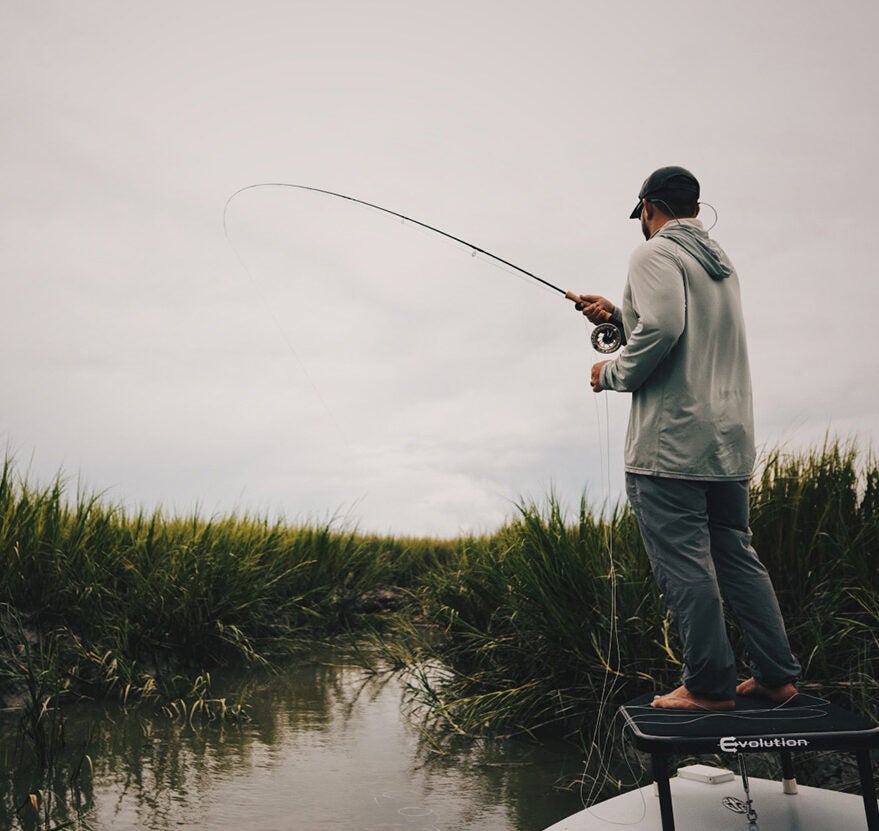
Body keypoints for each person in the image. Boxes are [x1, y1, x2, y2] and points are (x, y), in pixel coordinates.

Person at [578, 166, 801, 711]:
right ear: (695, 210)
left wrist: (610, 373)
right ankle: (775, 675)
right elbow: (673, 328)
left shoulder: (653, 253)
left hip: (670, 446)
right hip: (728, 443)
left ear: (649, 209)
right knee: (736, 557)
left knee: (687, 567)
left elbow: (665, 329)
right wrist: (618, 315)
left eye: (642, 217)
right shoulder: (720, 265)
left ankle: (706, 687)